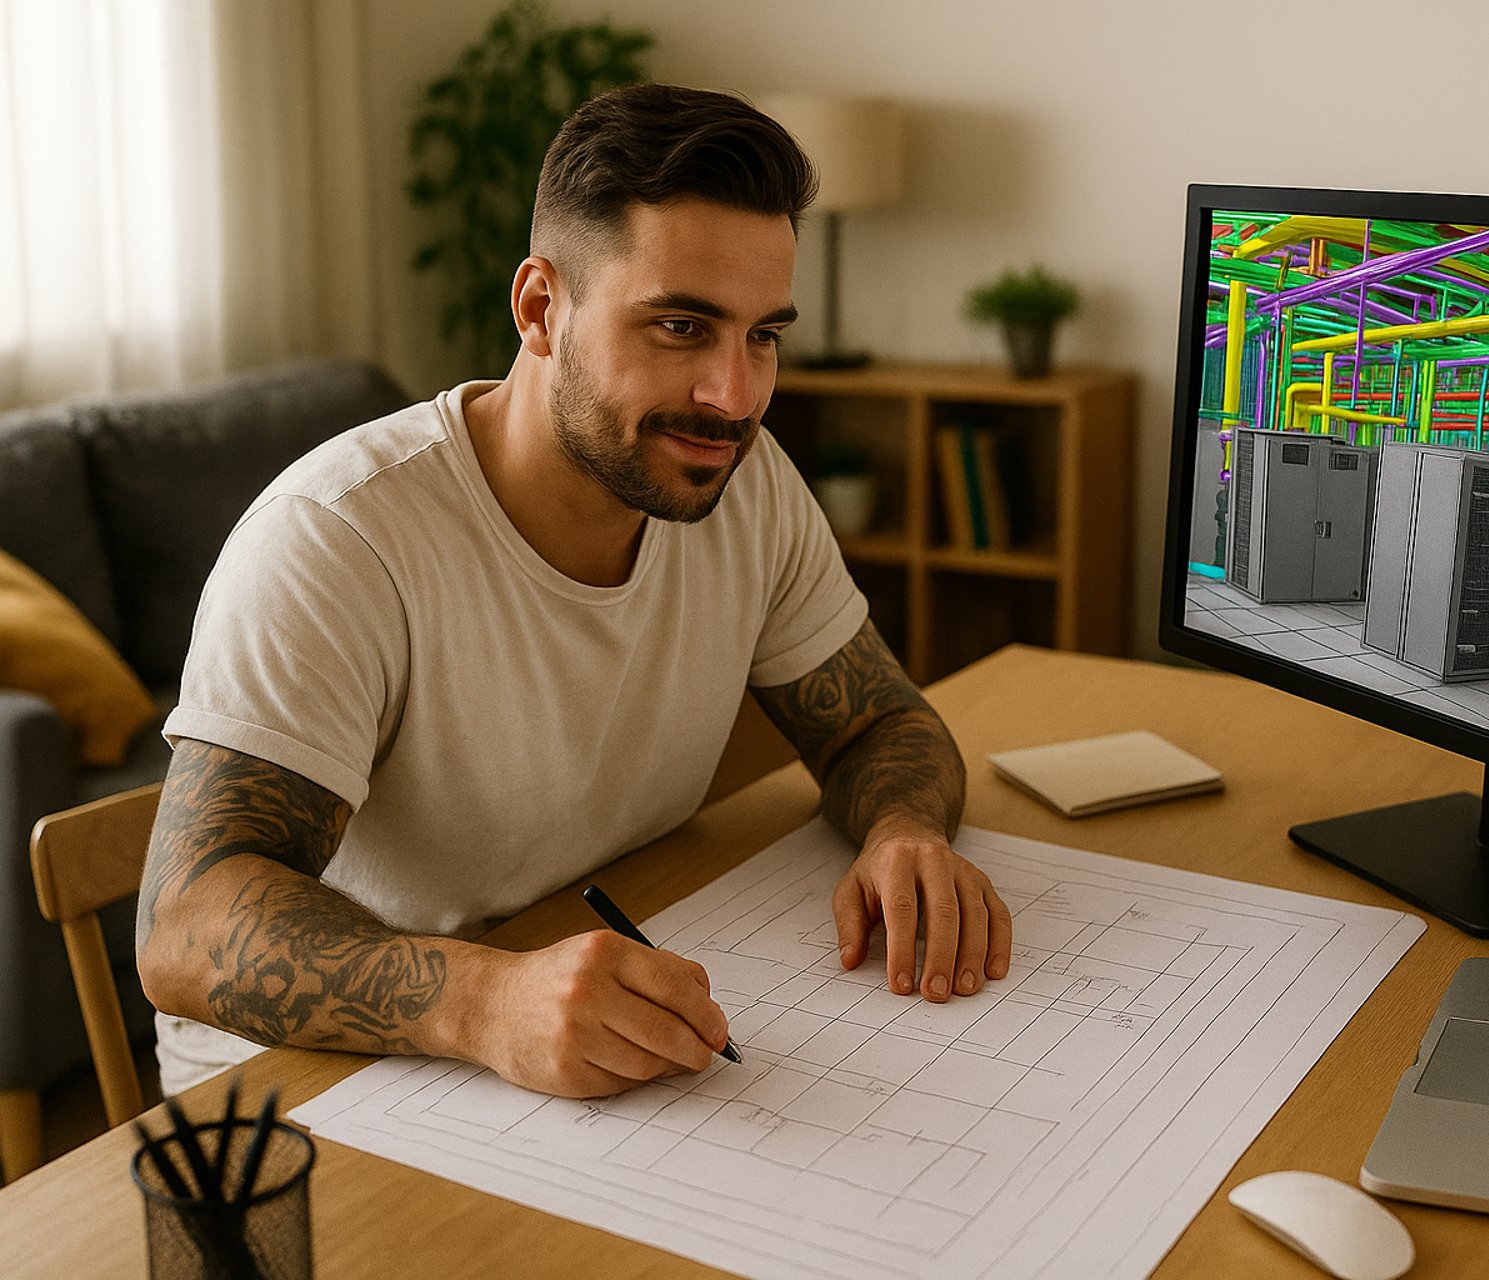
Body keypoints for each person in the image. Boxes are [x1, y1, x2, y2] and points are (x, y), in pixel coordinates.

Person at [136, 83, 1012, 1099]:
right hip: (298, 1093)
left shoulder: (744, 483)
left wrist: (904, 830)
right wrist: (483, 999)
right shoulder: (338, 539)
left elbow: (878, 722)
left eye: (763, 335)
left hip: (561, 1028)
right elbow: (185, 924)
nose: (735, 396)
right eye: (680, 326)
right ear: (541, 309)